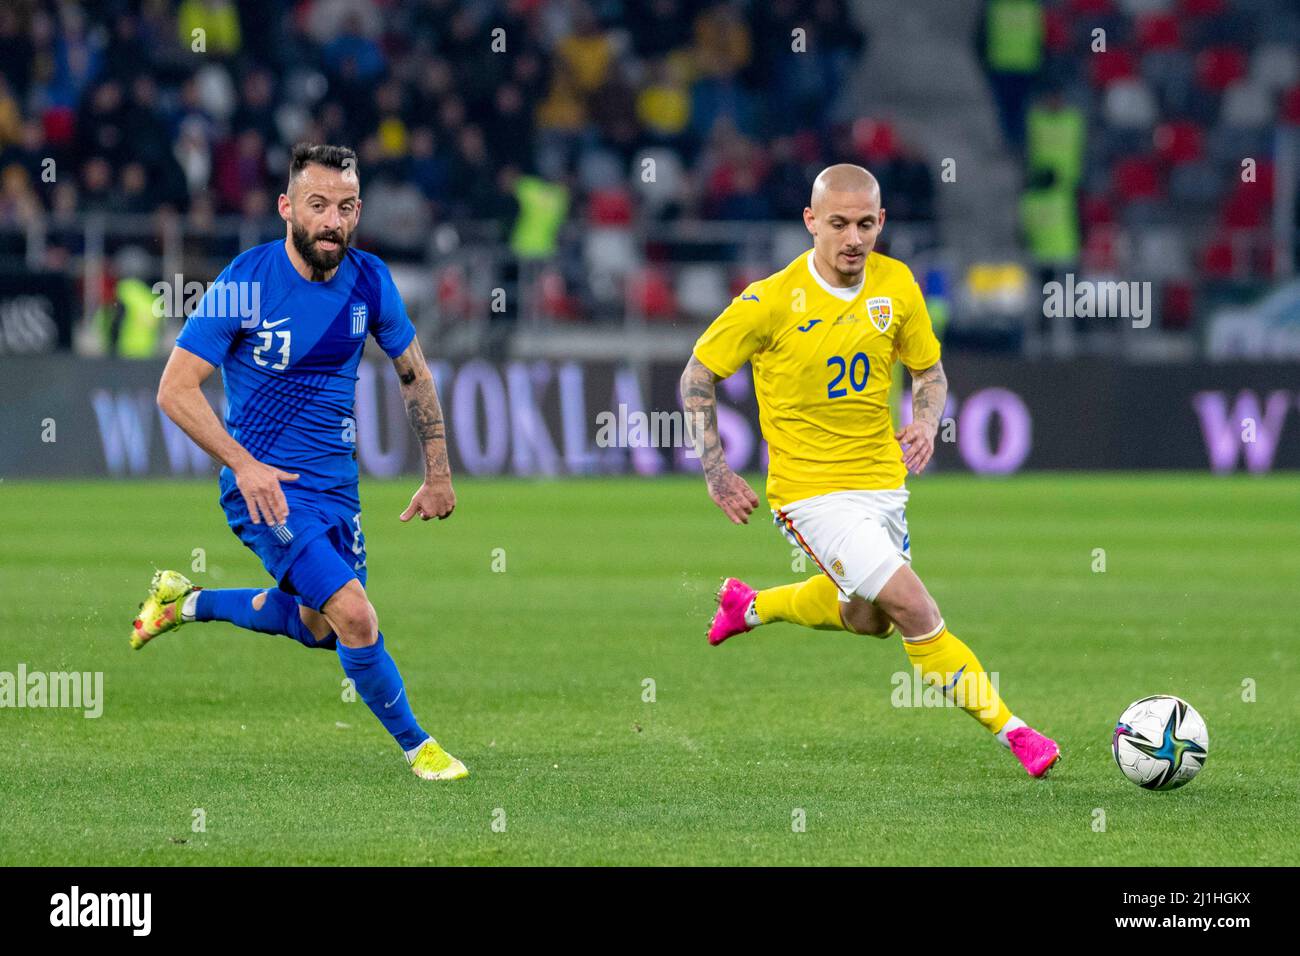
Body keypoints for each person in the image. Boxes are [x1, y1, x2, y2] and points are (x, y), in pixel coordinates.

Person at [680, 163, 1060, 777]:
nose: (853, 238)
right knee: (913, 607)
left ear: (881, 221)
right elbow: (697, 375)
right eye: (837, 224)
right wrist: (716, 471)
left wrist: (926, 420)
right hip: (810, 494)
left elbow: (929, 372)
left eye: (864, 224)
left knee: (870, 619)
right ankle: (1014, 732)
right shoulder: (769, 300)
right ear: (810, 223)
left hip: (882, 485)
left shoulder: (896, 285)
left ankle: (750, 607)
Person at [135, 143, 468, 781]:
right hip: (266, 492)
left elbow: (414, 374)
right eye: (317, 205)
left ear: (358, 213)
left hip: (337, 492)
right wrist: (244, 464)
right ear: (288, 207)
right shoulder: (246, 282)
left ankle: (185, 602)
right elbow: (175, 390)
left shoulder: (370, 280)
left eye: (344, 208)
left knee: (320, 628)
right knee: (355, 614)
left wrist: (438, 472)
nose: (331, 221)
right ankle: (419, 748)